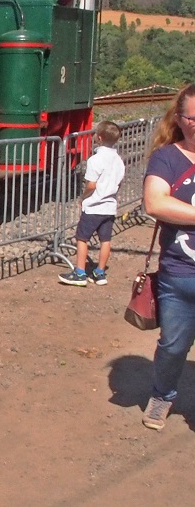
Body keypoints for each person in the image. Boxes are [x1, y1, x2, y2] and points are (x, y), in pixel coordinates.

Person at [141, 83, 195, 430]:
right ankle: (162, 394)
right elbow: (155, 203)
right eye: (193, 117)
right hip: (179, 275)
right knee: (173, 347)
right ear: (180, 118)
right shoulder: (167, 157)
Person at [58, 121, 125, 286]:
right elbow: (119, 183)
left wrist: (83, 198)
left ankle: (80, 272)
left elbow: (91, 185)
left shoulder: (95, 160)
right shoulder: (118, 161)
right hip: (109, 207)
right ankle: (100, 272)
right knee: (105, 240)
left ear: (99, 138)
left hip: (94, 206)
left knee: (81, 238)